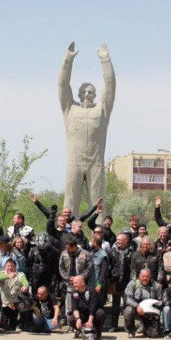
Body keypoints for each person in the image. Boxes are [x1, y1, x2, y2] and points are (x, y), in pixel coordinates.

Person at [58, 42, 116, 218]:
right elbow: (62, 85)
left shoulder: (102, 110)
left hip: (95, 163)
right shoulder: (69, 108)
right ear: (78, 94)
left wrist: (105, 60)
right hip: (74, 162)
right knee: (69, 203)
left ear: (95, 95)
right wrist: (68, 59)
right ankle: (68, 231)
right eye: (83, 91)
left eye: (90, 91)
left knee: (98, 204)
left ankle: (98, 231)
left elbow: (110, 86)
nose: (86, 94)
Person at [106, 231, 134, 332]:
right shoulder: (112, 252)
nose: (117, 242)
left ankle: (128, 326)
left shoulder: (131, 252)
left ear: (126, 241)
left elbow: (133, 267)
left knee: (127, 305)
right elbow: (108, 266)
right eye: (117, 240)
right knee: (115, 305)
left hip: (127, 282)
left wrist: (132, 281)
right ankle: (114, 326)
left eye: (120, 240)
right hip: (116, 282)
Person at [0, 259, 32, 331]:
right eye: (8, 266)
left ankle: (21, 324)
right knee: (2, 323)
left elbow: (25, 282)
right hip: (4, 304)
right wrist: (8, 276)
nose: (10, 267)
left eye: (12, 266)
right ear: (5, 267)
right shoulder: (1, 273)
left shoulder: (20, 275)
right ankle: (3, 324)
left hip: (15, 304)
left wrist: (25, 287)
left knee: (26, 301)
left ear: (15, 267)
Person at [58, 239, 90, 319]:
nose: (67, 250)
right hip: (69, 283)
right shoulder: (64, 254)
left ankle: (80, 319)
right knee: (68, 303)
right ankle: (69, 320)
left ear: (74, 246)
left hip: (81, 284)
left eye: (68, 248)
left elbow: (89, 268)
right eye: (66, 248)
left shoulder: (85, 254)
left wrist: (80, 278)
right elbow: (61, 267)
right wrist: (68, 278)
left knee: (80, 303)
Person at [67, 274, 105, 339]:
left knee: (101, 313)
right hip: (82, 314)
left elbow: (93, 308)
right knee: (71, 319)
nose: (74, 285)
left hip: (93, 315)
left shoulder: (91, 291)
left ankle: (97, 331)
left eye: (76, 283)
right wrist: (78, 318)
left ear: (82, 283)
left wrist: (90, 321)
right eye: (73, 283)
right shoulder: (74, 293)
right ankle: (81, 330)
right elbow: (75, 308)